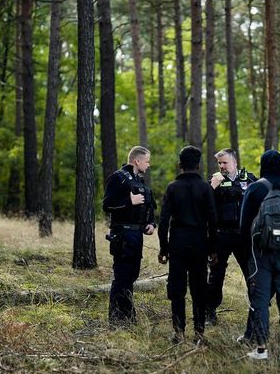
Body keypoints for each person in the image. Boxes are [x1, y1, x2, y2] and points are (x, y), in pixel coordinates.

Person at [239, 150, 280, 364]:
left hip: (260, 256)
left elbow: (243, 228)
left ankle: (261, 349)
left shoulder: (255, 188)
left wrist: (249, 258)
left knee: (260, 301)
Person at [158, 146, 218, 345]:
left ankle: (179, 333)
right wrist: (213, 249)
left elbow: (163, 221)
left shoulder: (172, 187)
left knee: (177, 289)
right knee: (199, 289)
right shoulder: (206, 188)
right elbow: (213, 221)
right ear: (198, 165)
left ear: (180, 165)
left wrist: (163, 248)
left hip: (178, 244)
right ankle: (199, 333)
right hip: (200, 244)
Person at [102, 146, 156, 325]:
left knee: (131, 277)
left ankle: (128, 317)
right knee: (122, 277)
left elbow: (148, 207)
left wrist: (151, 224)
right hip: (122, 234)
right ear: (137, 161)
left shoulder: (139, 180)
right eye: (147, 161)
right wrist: (128, 202)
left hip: (136, 235)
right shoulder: (118, 178)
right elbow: (107, 205)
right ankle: (117, 319)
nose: (148, 165)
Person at [206, 148, 257, 326]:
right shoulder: (215, 180)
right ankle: (209, 311)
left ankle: (256, 310)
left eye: (225, 163)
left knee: (252, 273)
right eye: (219, 163)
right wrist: (213, 186)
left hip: (243, 235)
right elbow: (204, 204)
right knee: (216, 275)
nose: (222, 167)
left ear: (235, 162)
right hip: (221, 235)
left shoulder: (249, 179)